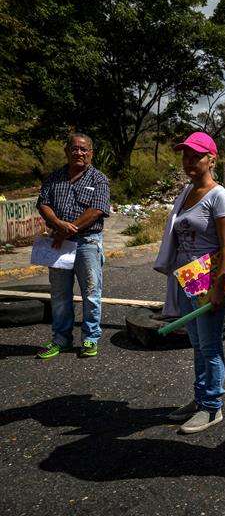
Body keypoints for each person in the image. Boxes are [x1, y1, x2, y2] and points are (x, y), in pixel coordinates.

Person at [153, 132, 225, 434]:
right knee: (197, 345)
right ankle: (201, 398)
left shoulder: (219, 196)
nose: (189, 161)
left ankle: (213, 407)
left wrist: (220, 286)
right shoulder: (187, 192)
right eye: (185, 156)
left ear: (212, 159)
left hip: (209, 281)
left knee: (210, 346)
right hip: (186, 279)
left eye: (196, 156)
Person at [36, 133, 110, 359]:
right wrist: (57, 225)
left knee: (90, 293)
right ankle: (61, 339)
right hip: (58, 243)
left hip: (88, 243)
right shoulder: (54, 177)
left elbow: (97, 210)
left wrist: (65, 230)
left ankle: (90, 338)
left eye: (84, 149)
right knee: (59, 294)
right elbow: (43, 204)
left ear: (91, 153)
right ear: (67, 151)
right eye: (74, 149)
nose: (79, 152)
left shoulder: (99, 179)